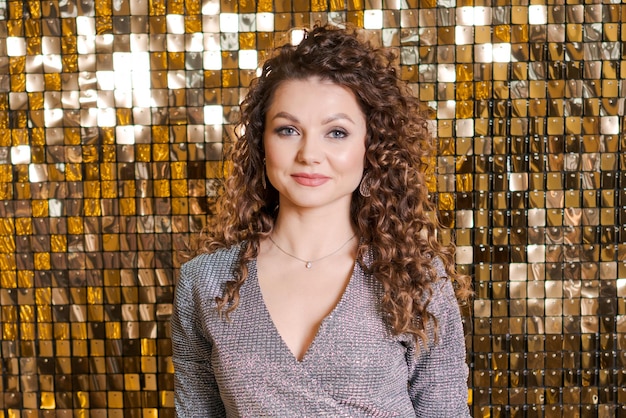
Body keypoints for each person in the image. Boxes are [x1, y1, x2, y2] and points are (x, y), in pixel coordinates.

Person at [170, 24, 472, 417]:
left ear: (372, 146)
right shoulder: (203, 282)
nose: (310, 153)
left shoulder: (416, 279)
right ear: (263, 143)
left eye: (337, 132)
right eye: (289, 130)